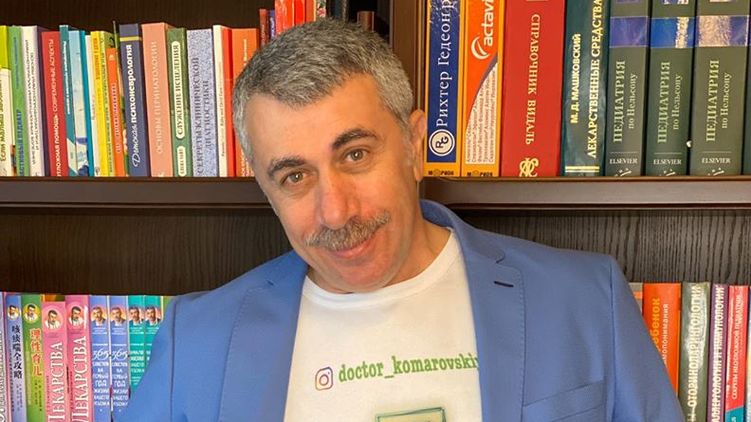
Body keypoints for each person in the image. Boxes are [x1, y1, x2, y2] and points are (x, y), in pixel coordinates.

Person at [121, 19, 683, 421]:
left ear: (414, 145)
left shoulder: (586, 299)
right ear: (266, 189)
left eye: (355, 154)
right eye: (294, 176)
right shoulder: (197, 340)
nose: (336, 211)